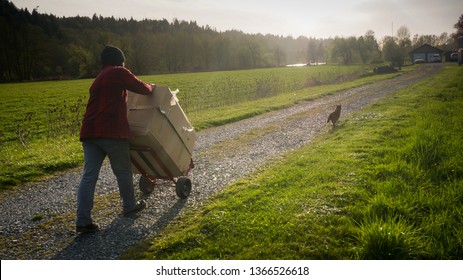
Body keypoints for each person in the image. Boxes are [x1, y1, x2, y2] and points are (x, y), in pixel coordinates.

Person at [76, 45, 155, 234]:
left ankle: (83, 220)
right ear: (120, 60)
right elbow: (142, 88)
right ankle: (129, 206)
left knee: (89, 177)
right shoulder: (118, 72)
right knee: (123, 171)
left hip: (89, 132)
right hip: (111, 130)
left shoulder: (99, 77)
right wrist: (152, 87)